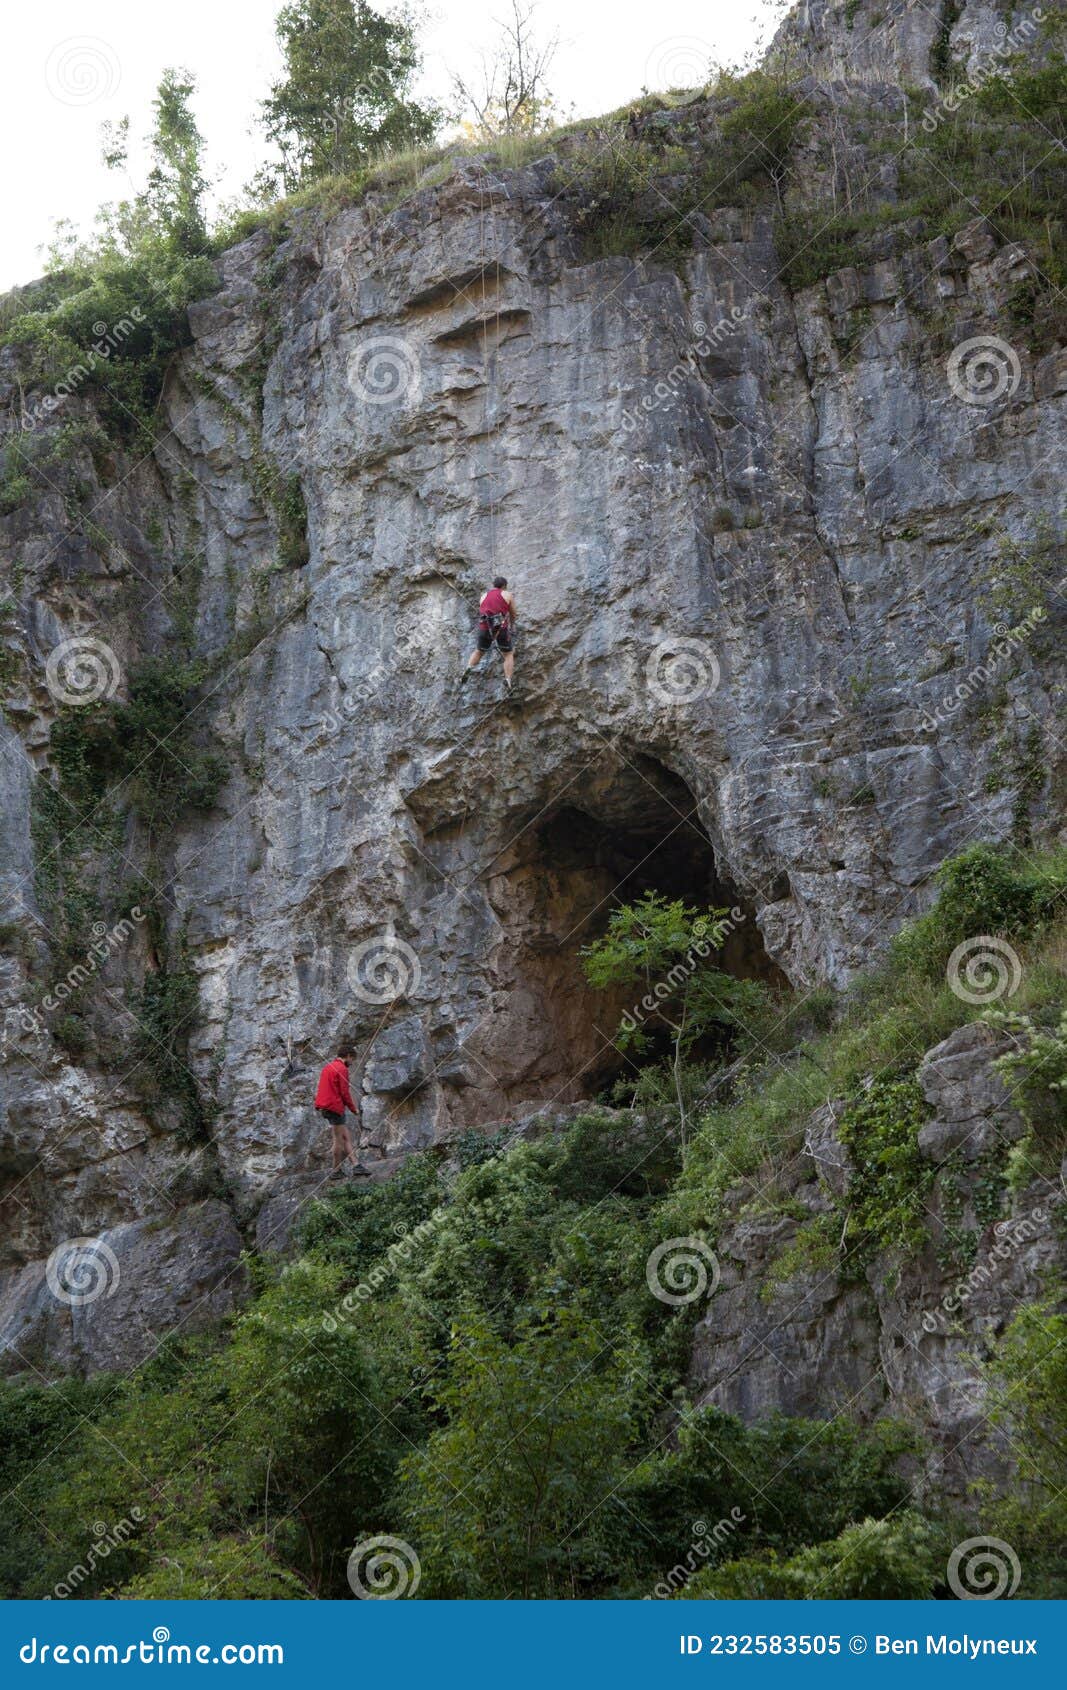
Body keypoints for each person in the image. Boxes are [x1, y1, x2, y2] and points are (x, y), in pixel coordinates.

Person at [314, 1044, 365, 1176]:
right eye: (352, 1059)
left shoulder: (328, 1067)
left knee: (345, 1137)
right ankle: (336, 1170)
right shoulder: (342, 1069)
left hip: (325, 1105)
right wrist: (354, 1109)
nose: (352, 1063)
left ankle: (356, 1164)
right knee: (339, 1140)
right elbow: (344, 1093)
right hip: (334, 1106)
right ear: (348, 1056)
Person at [460, 575, 516, 692]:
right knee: (508, 654)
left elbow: (484, 609)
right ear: (504, 586)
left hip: (485, 627)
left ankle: (469, 667)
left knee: (479, 651)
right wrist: (512, 625)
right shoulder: (507, 594)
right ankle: (508, 679)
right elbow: (513, 613)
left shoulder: (483, 596)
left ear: (493, 585)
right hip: (500, 628)